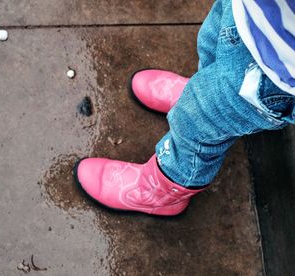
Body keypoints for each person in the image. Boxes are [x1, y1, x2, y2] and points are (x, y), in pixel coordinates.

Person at [74, 0, 295, 216]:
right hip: (254, 13)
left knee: (198, 126)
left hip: (277, 71)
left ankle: (164, 190)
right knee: (212, 40)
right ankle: (201, 90)